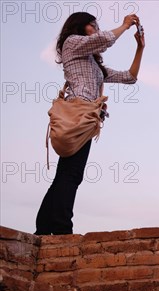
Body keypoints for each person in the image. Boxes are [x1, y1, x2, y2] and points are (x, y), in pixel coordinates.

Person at [35, 12, 145, 235]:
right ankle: (62, 228)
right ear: (79, 26)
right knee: (72, 173)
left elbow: (130, 77)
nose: (96, 28)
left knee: (66, 173)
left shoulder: (95, 64)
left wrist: (139, 49)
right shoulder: (72, 43)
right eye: (92, 25)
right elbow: (104, 39)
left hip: (87, 120)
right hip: (78, 113)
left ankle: (44, 228)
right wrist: (124, 26)